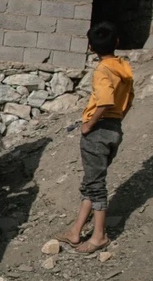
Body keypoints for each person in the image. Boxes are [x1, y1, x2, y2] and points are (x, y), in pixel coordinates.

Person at [54, 22, 134, 254]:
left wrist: (89, 125)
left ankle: (99, 236)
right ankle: (76, 230)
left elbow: (106, 100)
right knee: (92, 180)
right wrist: (116, 120)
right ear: (117, 42)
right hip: (114, 128)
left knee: (96, 184)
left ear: (90, 47)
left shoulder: (102, 70)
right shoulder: (124, 68)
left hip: (98, 132)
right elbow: (127, 100)